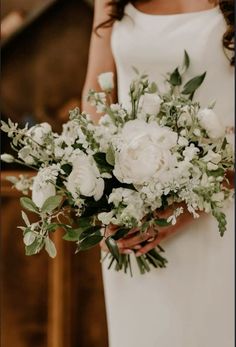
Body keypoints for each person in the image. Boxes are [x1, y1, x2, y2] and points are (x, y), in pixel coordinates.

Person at [82, 1, 234, 346]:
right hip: (133, 218)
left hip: (220, 211)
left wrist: (191, 201)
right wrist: (100, 190)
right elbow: (96, 93)